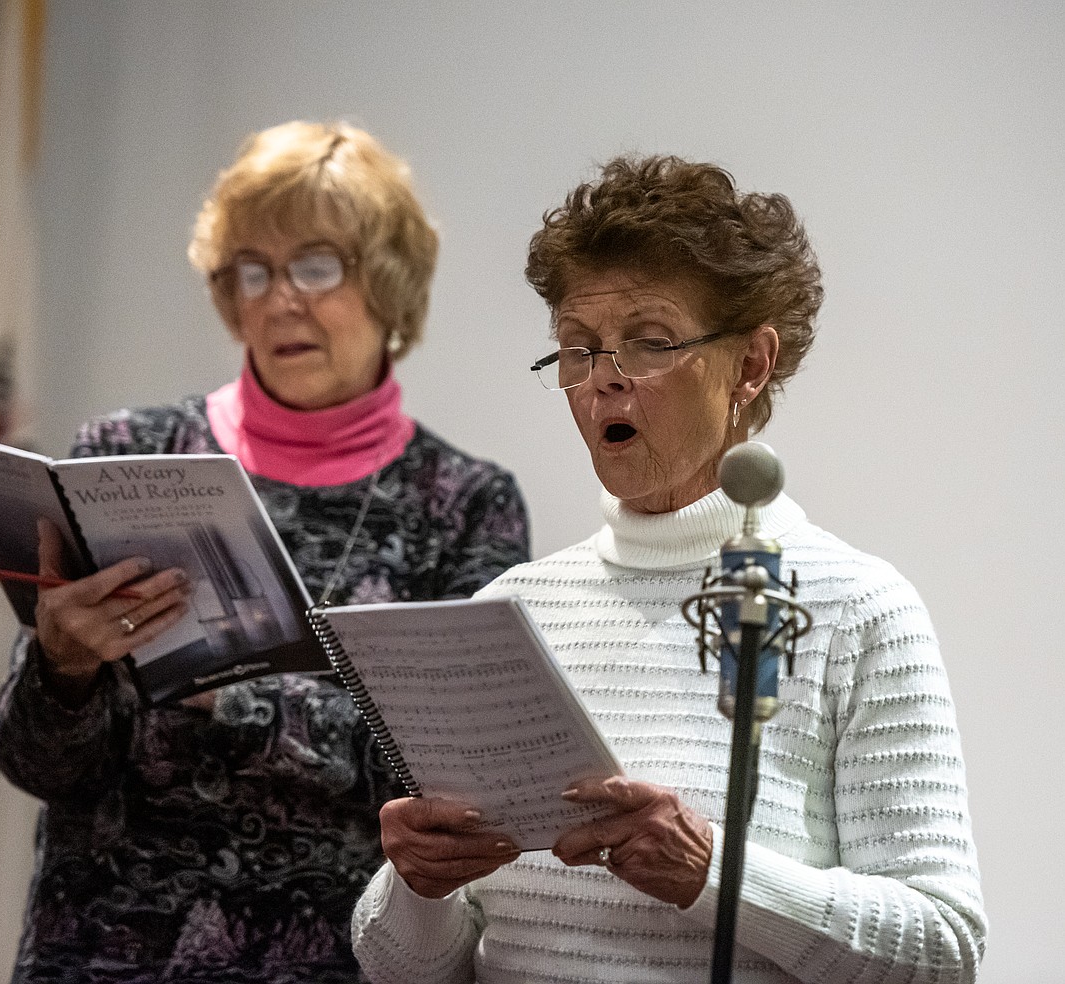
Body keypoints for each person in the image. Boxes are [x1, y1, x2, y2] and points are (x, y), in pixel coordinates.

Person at [351, 155, 987, 983]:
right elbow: (400, 970)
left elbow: (943, 952)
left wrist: (710, 874)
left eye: (648, 343)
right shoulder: (513, 609)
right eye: (578, 350)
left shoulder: (857, 609)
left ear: (750, 365)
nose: (603, 380)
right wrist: (417, 887)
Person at [0, 121, 530, 984]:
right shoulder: (125, 454)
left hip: (333, 956)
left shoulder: (463, 503)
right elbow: (33, 763)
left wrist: (229, 697)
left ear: (387, 283)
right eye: (253, 270)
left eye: (316, 265)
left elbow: (447, 784)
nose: (280, 299)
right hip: (99, 952)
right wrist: (62, 666)